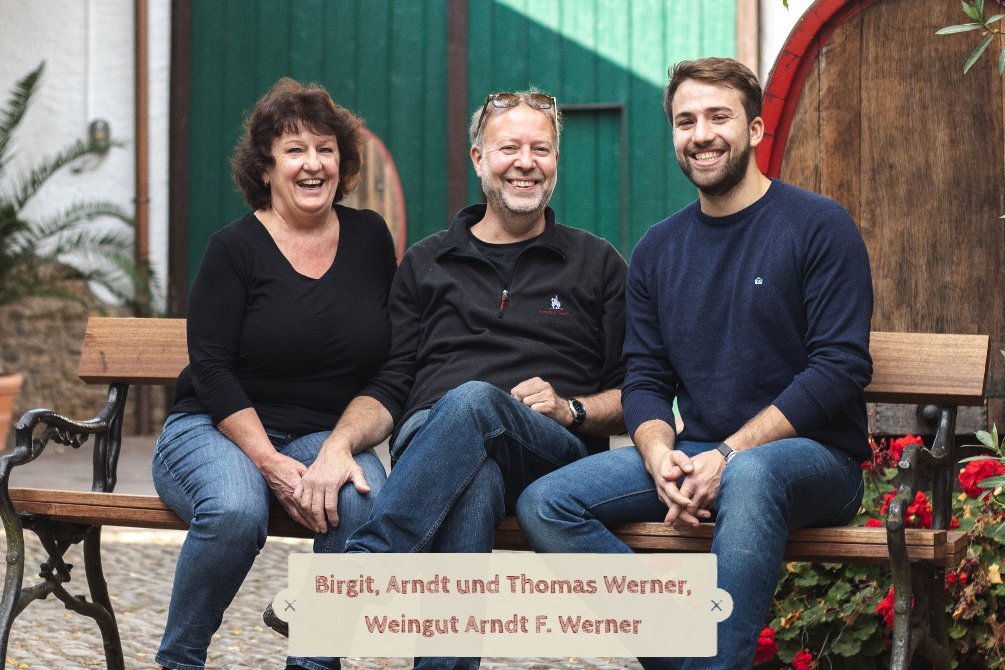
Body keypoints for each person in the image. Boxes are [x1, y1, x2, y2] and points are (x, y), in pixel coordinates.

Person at [516, 57, 874, 668]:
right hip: (700, 456)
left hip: (818, 463)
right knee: (546, 504)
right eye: (685, 121)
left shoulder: (818, 226)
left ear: (756, 130)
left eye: (718, 116)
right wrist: (658, 456)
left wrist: (729, 453)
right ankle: (686, 651)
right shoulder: (658, 248)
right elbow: (646, 378)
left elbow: (840, 366)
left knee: (751, 474)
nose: (701, 134)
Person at [282, 90, 627, 669]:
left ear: (556, 161)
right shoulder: (426, 261)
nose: (526, 162)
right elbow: (392, 383)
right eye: (508, 148)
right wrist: (340, 442)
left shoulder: (597, 263)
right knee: (474, 475)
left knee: (473, 403)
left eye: (541, 149)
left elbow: (635, 392)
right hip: (432, 442)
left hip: (548, 452)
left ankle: (353, 578)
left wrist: (571, 408)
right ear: (477, 158)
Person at [152, 78, 395, 670]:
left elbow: (392, 362)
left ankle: (313, 662)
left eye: (326, 149)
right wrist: (268, 462)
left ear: (343, 160)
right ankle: (179, 659)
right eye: (294, 150)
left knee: (366, 502)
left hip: (321, 433)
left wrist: (340, 448)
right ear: (265, 168)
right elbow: (210, 369)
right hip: (213, 428)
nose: (313, 164)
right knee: (237, 512)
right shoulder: (233, 248)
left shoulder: (369, 239)